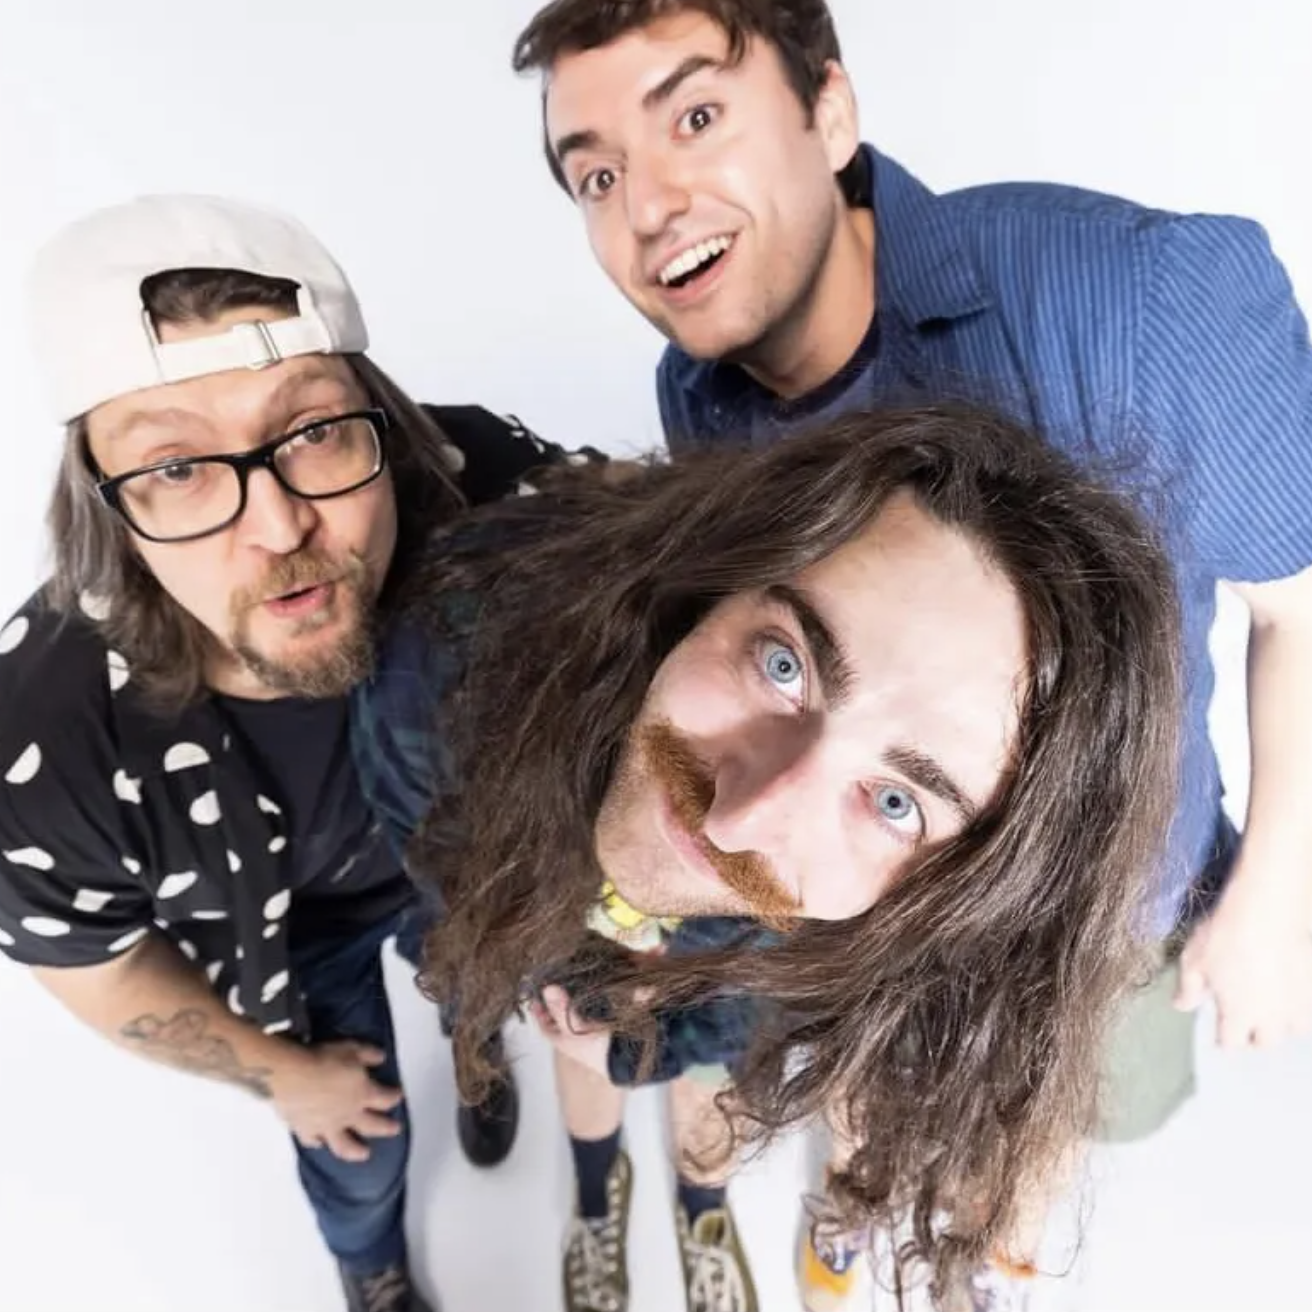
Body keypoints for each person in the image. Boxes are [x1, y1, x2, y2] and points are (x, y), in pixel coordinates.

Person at [509, 1, 1312, 1307]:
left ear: (830, 110)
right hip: (867, 919)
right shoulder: (697, 398)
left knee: (1048, 1129)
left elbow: (1305, 606)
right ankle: (849, 1225)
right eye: (596, 175)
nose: (647, 207)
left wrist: (1279, 882)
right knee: (870, 1095)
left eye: (695, 117)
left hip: (1115, 913)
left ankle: (986, 1261)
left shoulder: (1140, 300)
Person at [352, 400, 1184, 1312]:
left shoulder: (871, 919)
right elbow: (435, 870)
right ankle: (595, 1200)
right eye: (784, 664)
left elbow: (755, 1018)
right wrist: (531, 970)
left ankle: (697, 1208)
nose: (740, 821)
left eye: (896, 804)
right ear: (711, 582)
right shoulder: (443, 662)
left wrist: (646, 1049)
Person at [0, 194, 586, 1312]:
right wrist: (284, 1075)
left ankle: (477, 1055)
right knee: (358, 1153)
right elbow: (96, 966)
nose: (278, 528)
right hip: (287, 939)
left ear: (382, 423)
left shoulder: (492, 495)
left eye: (314, 432)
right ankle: (371, 1266)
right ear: (106, 508)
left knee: (479, 999)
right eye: (177, 467)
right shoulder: (44, 739)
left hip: (460, 863)